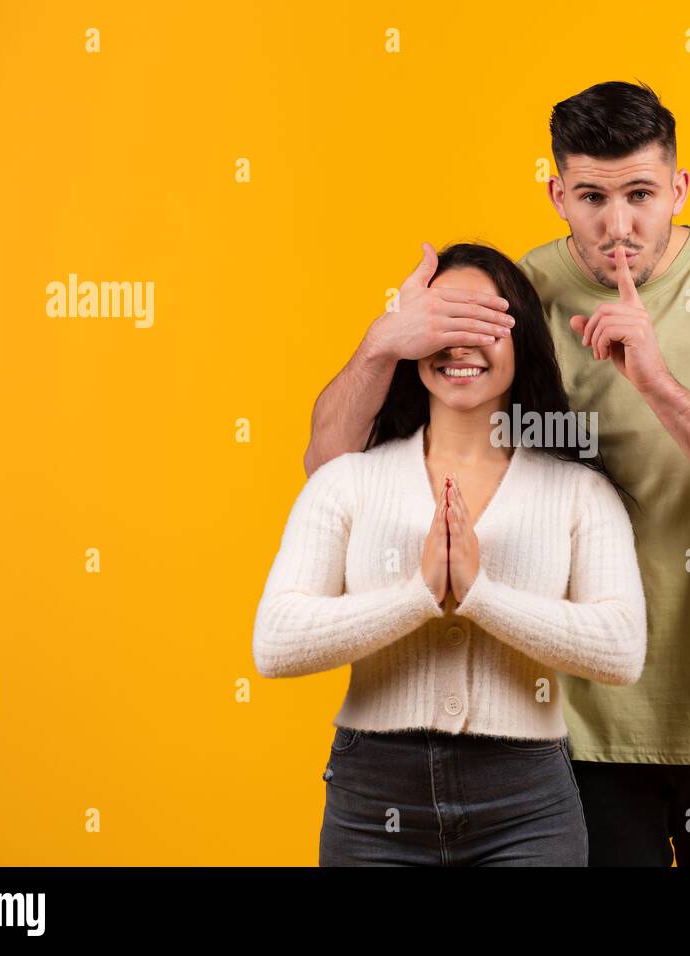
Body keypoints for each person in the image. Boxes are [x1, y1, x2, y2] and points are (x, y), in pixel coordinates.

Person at [303, 80, 690, 866]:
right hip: (571, 735)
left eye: (641, 195)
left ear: (679, 189)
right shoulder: (517, 300)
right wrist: (384, 342)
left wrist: (655, 382)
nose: (617, 225)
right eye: (591, 196)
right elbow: (331, 476)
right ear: (557, 192)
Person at [253, 242, 647, 866]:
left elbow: (622, 648)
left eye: (486, 324)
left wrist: (482, 596)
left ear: (524, 345)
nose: (461, 345)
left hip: (527, 804)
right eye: (441, 325)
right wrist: (416, 595)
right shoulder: (349, 480)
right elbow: (275, 642)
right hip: (371, 801)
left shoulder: (579, 491)